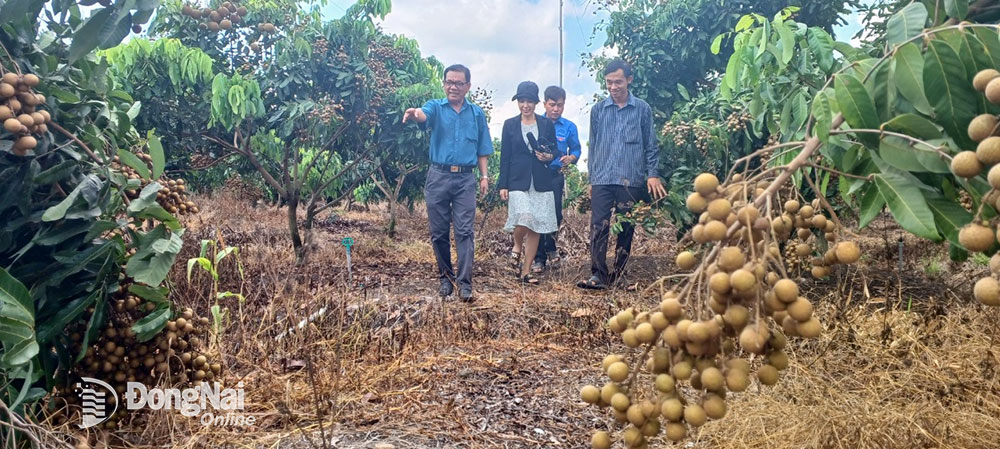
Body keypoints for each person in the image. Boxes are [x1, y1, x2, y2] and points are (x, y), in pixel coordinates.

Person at [402, 64, 492, 301]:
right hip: (438, 176)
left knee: (465, 231)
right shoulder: (436, 107)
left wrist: (484, 177)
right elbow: (424, 115)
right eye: (449, 82)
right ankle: (445, 278)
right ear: (444, 84)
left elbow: (482, 148)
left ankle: (464, 283)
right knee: (439, 232)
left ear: (467, 86)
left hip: (465, 179)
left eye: (458, 83)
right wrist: (415, 114)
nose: (453, 87)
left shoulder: (477, 114)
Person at [578, 59, 667, 290]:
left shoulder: (642, 109)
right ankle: (598, 274)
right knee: (599, 225)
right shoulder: (598, 110)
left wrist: (652, 174)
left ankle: (619, 273)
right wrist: (591, 178)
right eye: (609, 82)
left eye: (618, 81)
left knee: (626, 226)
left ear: (629, 80)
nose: (613, 87)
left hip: (631, 178)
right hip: (602, 178)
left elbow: (650, 144)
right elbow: (594, 146)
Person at [498, 81, 558, 285]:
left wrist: (547, 156)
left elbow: (554, 151)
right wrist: (502, 184)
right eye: (521, 101)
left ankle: (525, 272)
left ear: (536, 103)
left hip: (541, 180)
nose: (525, 105)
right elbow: (505, 156)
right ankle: (516, 246)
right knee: (524, 216)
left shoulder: (546, 124)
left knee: (536, 226)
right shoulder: (510, 124)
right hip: (517, 180)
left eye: (529, 101)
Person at [530, 85, 581, 273]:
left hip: (556, 176)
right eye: (552, 105)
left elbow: (576, 149)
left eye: (559, 105)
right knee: (538, 215)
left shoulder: (569, 127)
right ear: (544, 104)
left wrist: (572, 158)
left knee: (555, 214)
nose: (555, 109)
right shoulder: (536, 123)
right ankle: (540, 257)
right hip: (537, 176)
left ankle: (550, 246)